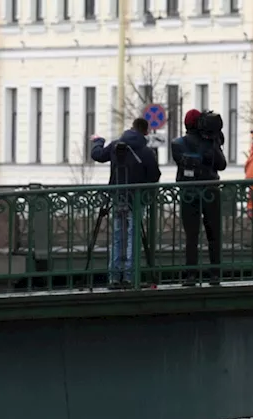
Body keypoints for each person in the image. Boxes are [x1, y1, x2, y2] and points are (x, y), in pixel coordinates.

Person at [90, 117, 161, 288]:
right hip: (135, 200)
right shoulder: (145, 151)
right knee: (133, 237)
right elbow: (155, 175)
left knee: (117, 237)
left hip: (117, 197)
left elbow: (97, 155)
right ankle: (130, 276)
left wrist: (98, 141)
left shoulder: (116, 146)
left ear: (131, 127)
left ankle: (114, 276)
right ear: (146, 131)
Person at [171, 109, 228, 286]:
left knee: (191, 236)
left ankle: (190, 276)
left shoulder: (177, 144)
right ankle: (215, 275)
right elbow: (222, 165)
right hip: (211, 191)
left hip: (189, 193)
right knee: (214, 235)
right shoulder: (210, 142)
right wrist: (213, 142)